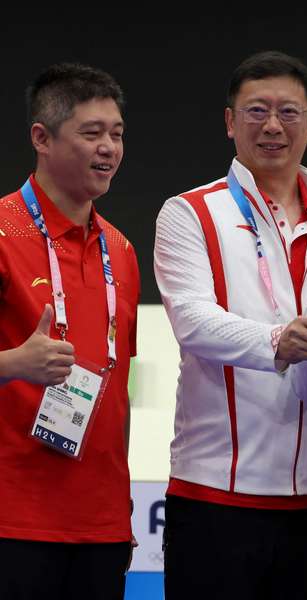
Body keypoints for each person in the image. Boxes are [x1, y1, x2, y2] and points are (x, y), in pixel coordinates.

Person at [154, 51, 307, 599]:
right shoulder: (188, 212)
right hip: (216, 498)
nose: (272, 126)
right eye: (256, 111)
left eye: (288, 112)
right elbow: (193, 321)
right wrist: (279, 340)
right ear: (230, 122)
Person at [0, 63, 138, 599]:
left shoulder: (122, 250)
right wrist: (14, 364)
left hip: (100, 525)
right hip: (13, 520)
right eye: (91, 133)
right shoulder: (4, 230)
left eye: (117, 134)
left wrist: (121, 514)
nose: (109, 147)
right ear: (42, 137)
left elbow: (117, 386)